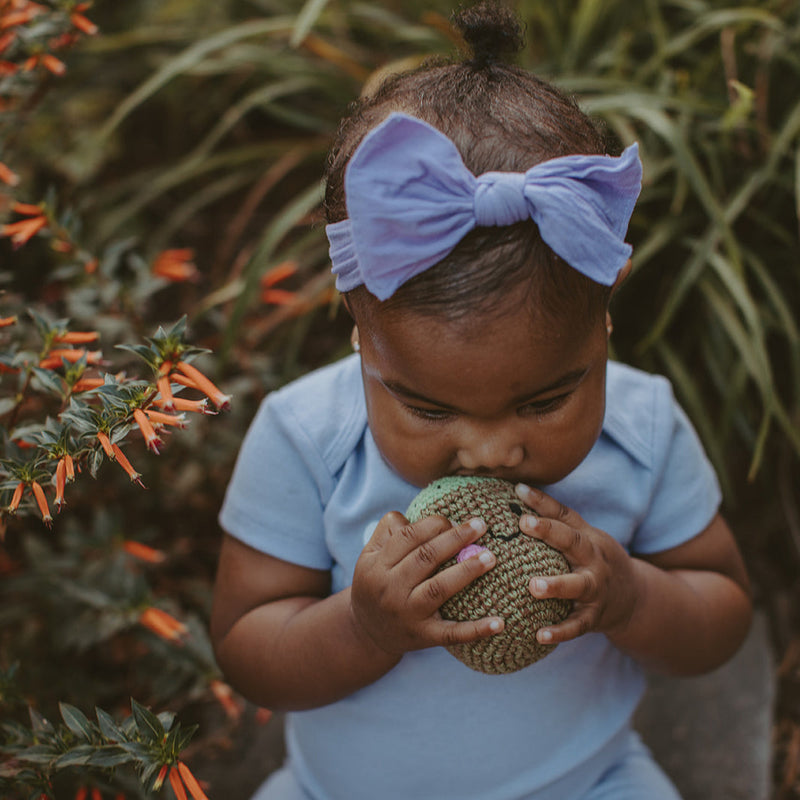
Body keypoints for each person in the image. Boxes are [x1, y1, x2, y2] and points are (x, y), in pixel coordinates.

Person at [210, 3, 752, 798]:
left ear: (602, 321)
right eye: (429, 409)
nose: (494, 450)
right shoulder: (306, 438)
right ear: (362, 329)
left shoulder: (642, 428)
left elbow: (722, 614)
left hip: (588, 783)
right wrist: (363, 626)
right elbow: (246, 648)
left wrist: (632, 595)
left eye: (547, 398)